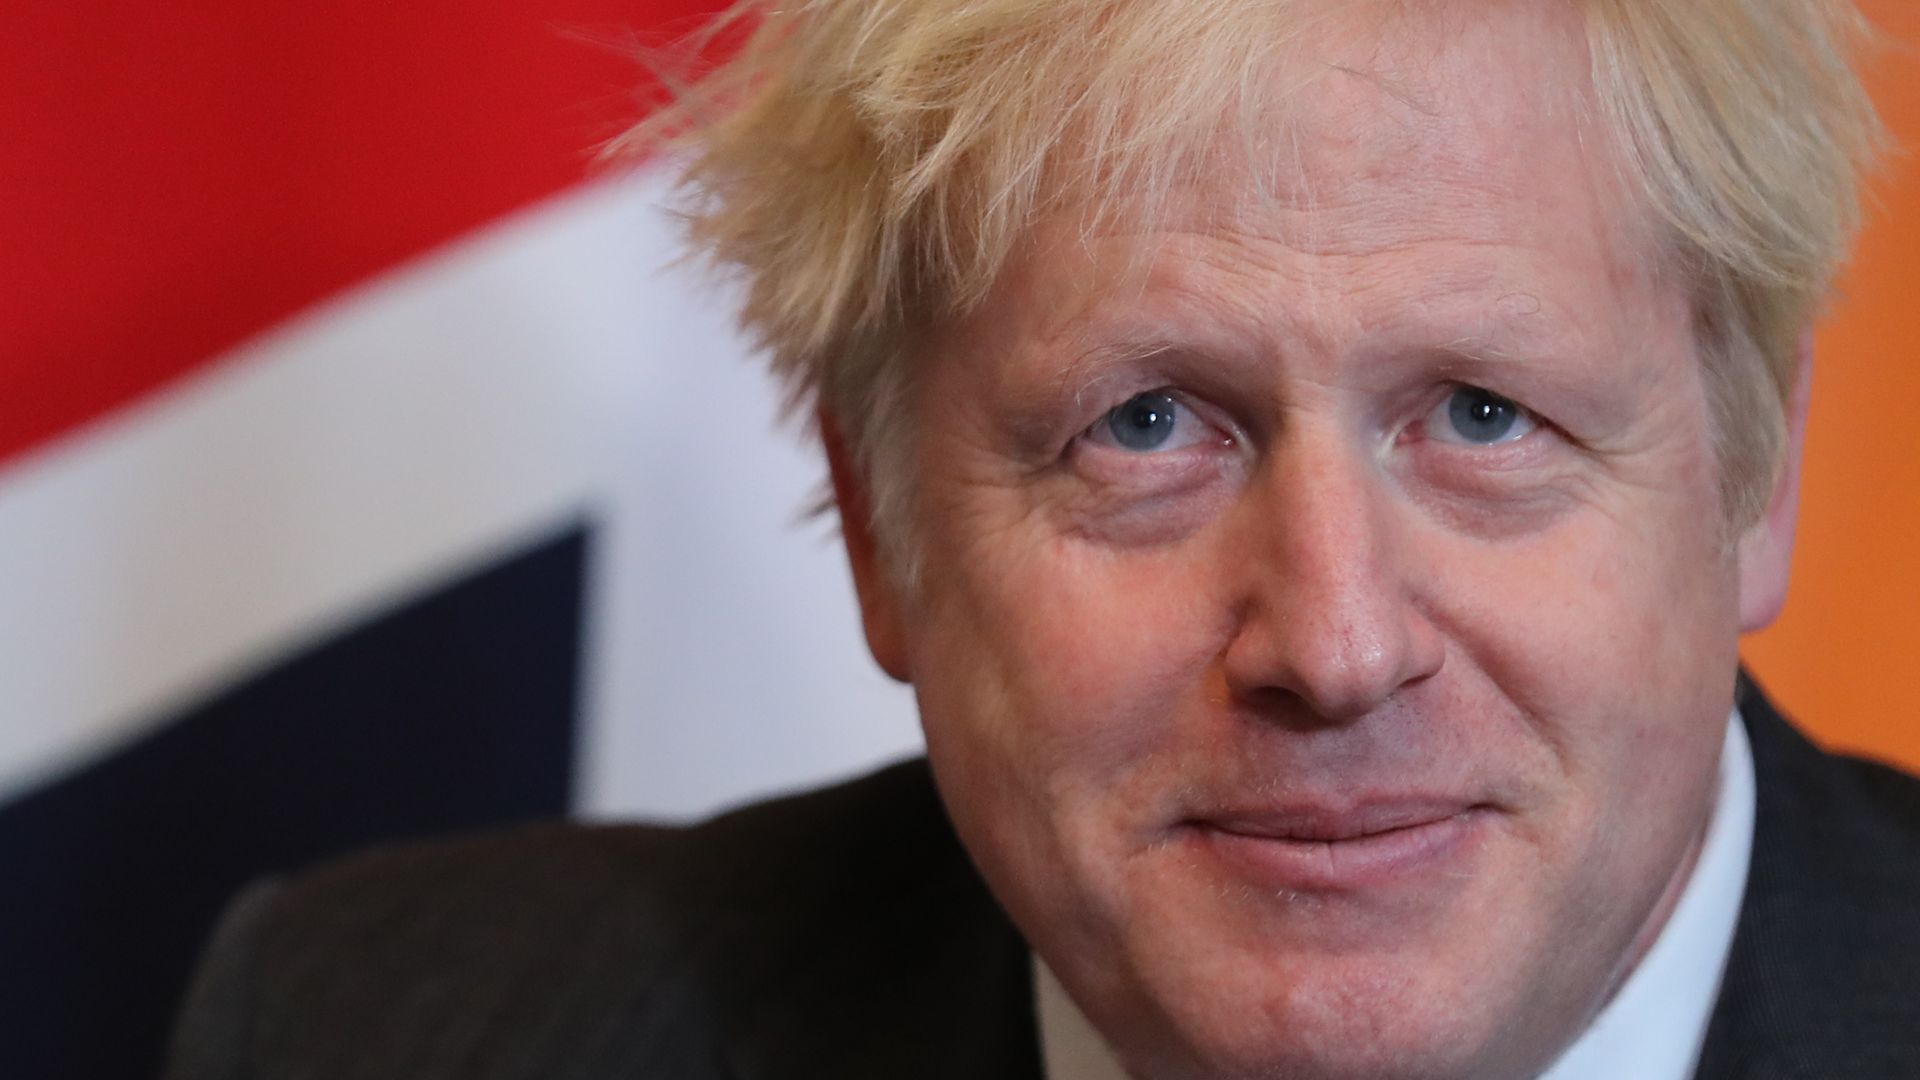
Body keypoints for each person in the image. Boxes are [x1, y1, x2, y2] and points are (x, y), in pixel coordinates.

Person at [166, 1, 1918, 1078]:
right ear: (877, 524)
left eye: (1480, 414)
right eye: (1142, 426)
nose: (1334, 639)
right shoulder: (369, 1033)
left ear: (1752, 477)